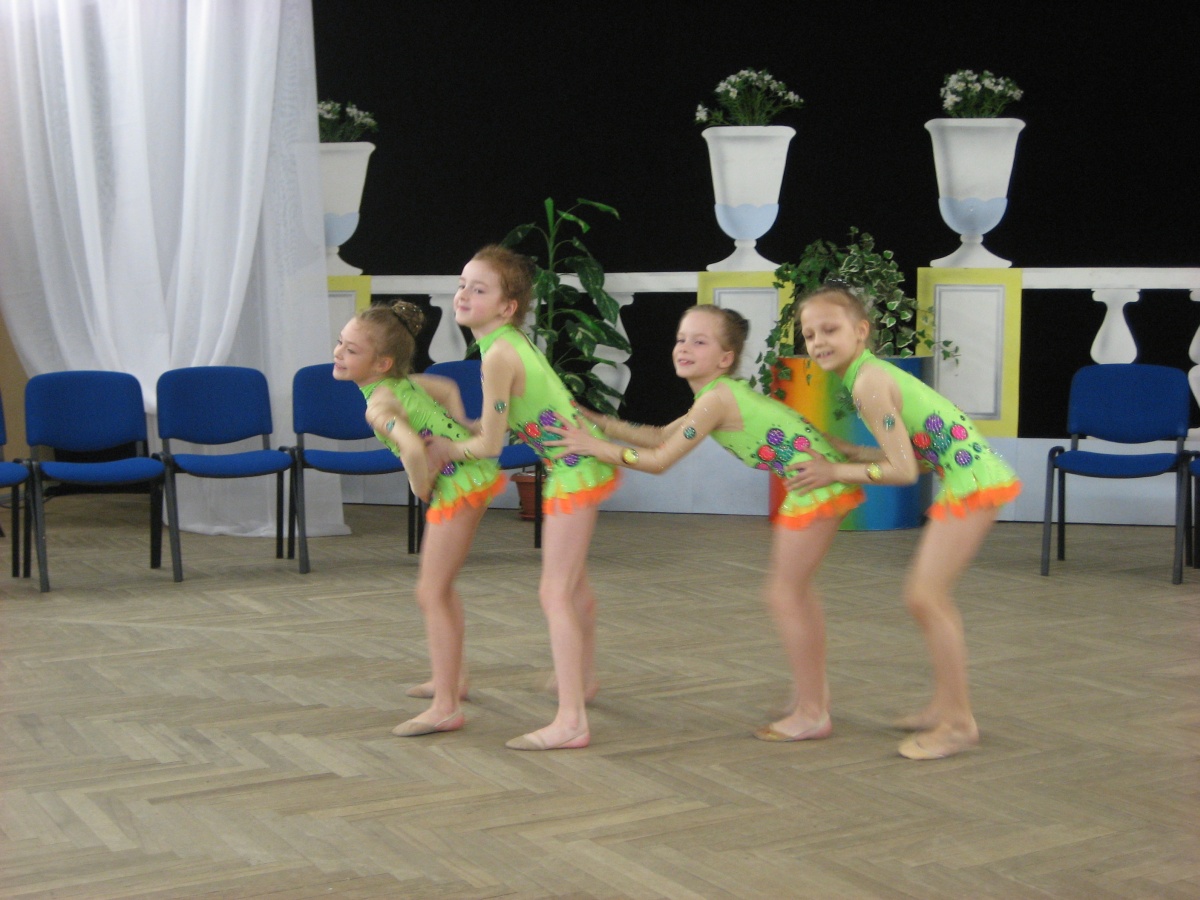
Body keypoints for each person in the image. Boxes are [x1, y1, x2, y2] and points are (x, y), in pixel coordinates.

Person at [547, 303, 865, 744]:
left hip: (815, 489)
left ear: (724, 358)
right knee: (795, 595)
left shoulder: (716, 399)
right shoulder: (715, 397)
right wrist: (600, 423)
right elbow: (661, 436)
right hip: (816, 487)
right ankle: (813, 696)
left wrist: (594, 446)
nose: (684, 348)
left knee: (786, 595)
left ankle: (813, 711)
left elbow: (659, 460)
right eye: (681, 339)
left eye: (699, 341)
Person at [788, 282, 1021, 759]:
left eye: (829, 329)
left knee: (925, 596)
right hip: (971, 476)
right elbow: (911, 453)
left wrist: (833, 471)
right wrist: (853, 452)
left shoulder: (868, 383)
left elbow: (902, 472)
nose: (818, 342)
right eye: (809, 335)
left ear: (861, 331)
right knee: (926, 596)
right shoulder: (868, 376)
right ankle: (944, 706)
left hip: (973, 482)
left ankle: (958, 724)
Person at [424, 245, 620, 751]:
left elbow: (490, 447)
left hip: (573, 469)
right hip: (575, 465)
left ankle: (572, 720)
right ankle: (584, 680)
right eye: (462, 284)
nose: (463, 294)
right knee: (574, 588)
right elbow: (497, 426)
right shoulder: (507, 344)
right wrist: (462, 430)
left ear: (507, 306)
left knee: (555, 592)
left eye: (478, 289)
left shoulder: (498, 355)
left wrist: (447, 448)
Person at [336, 300, 503, 738]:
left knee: (431, 591)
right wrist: (462, 422)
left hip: (459, 486)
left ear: (382, 363)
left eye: (351, 350)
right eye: (340, 343)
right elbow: (445, 387)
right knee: (439, 589)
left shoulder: (378, 405)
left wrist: (420, 486)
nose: (338, 353)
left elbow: (411, 448)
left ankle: (446, 706)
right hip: (474, 476)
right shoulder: (402, 382)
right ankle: (453, 680)